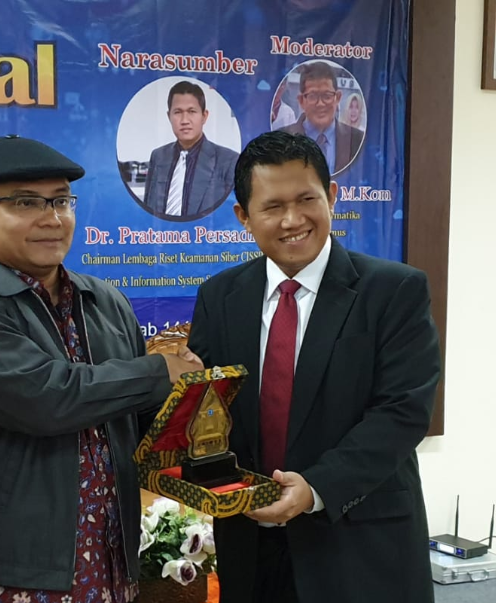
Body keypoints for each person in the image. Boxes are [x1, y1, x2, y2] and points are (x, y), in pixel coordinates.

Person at [0, 135, 204, 603]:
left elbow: (138, 423)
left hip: (114, 560)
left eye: (61, 201)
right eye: (26, 203)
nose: (51, 219)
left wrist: (191, 402)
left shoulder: (104, 300)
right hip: (18, 574)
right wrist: (159, 372)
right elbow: (47, 399)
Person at [187, 131, 440, 603]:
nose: (292, 220)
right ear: (243, 216)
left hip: (360, 542)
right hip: (252, 546)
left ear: (333, 196)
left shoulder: (393, 291)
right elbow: (209, 409)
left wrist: (316, 488)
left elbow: (403, 413)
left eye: (307, 199)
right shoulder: (219, 296)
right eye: (272, 206)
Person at [141, 81, 239, 220]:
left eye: (192, 111)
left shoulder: (229, 161)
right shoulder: (158, 156)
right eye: (178, 112)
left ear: (204, 116)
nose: (184, 120)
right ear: (169, 116)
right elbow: (147, 210)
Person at [279, 62, 364, 176]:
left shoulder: (357, 139)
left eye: (327, 96)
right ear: (301, 101)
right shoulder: (281, 140)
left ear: (337, 98)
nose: (320, 104)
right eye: (313, 96)